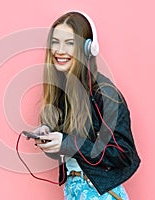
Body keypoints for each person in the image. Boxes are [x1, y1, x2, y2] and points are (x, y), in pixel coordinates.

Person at [32, 11, 141, 199]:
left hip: (100, 194)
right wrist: (49, 138)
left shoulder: (104, 93)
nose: (59, 50)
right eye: (55, 42)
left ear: (88, 48)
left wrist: (67, 142)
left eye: (69, 43)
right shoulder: (62, 92)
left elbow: (124, 153)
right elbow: (76, 151)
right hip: (74, 191)